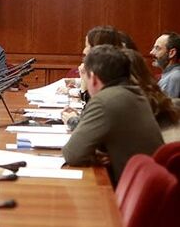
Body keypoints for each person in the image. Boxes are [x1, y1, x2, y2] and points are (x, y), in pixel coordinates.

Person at [62, 45, 164, 186]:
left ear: (94, 78)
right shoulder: (135, 93)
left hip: (129, 188)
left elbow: (72, 154)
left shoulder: (104, 100)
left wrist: (92, 157)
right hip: (146, 185)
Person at [150, 31, 179, 98]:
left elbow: (169, 104)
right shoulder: (169, 75)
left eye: (157, 48)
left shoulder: (174, 77)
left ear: (172, 53)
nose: (151, 52)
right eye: (153, 48)